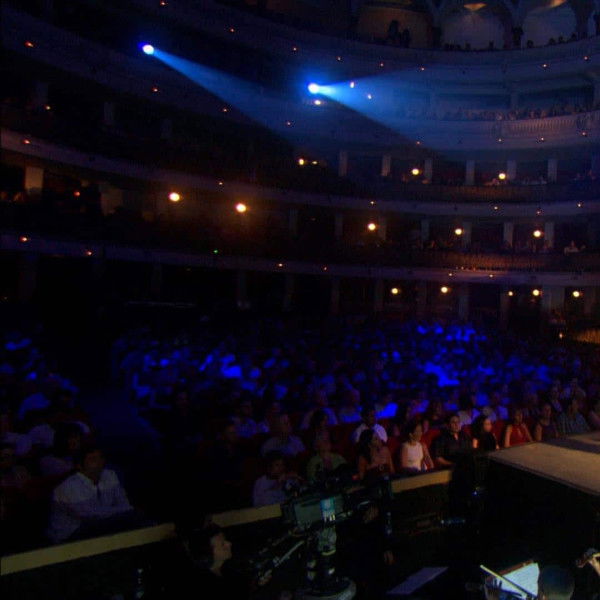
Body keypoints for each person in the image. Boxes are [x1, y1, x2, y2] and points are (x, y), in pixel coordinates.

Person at [47, 446, 135, 543]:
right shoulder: (68, 487)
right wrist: (126, 510)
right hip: (69, 536)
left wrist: (127, 511)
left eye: (101, 458)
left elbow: (123, 502)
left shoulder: (110, 475)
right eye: (93, 459)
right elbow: (90, 515)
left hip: (102, 526)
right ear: (79, 465)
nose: (99, 462)